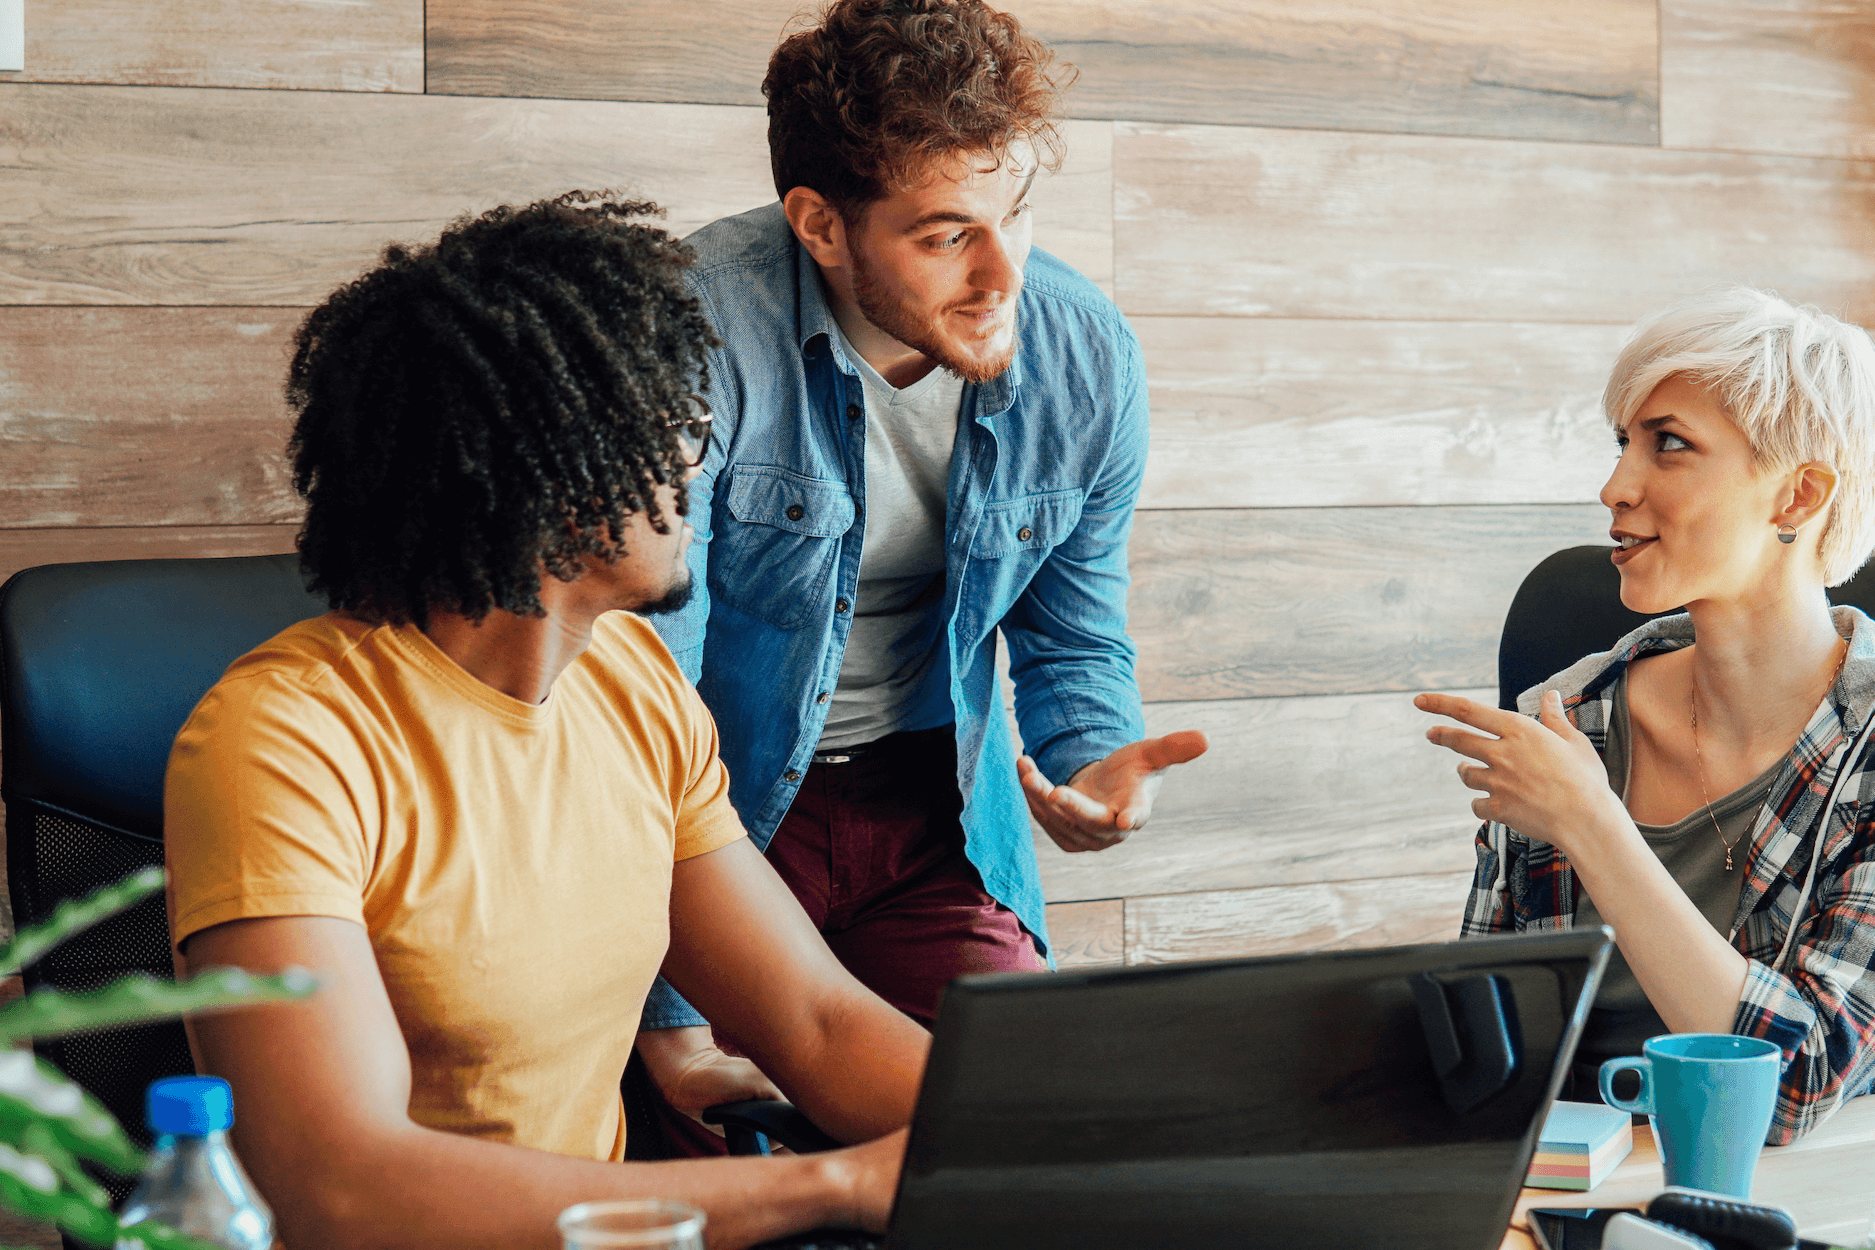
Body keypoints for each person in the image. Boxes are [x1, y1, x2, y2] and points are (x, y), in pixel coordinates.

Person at [163, 193, 929, 1249]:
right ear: (558, 474)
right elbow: (334, 1182)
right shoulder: (284, 740)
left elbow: (813, 1019)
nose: (698, 465)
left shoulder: (636, 682)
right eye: (678, 431)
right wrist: (829, 1186)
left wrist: (1056, 1137)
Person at [635, 0, 1207, 1124]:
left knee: (1016, 1134)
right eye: (946, 234)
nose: (1004, 275)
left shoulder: (1085, 354)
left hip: (933, 804)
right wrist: (669, 1013)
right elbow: (637, 706)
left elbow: (1071, 625)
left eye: (1018, 215)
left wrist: (1089, 760)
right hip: (720, 807)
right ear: (820, 225)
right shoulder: (687, 332)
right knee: (715, 1154)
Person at [1418, 286, 1875, 1143]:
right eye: (1622, 443)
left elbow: (1793, 1087)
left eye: (1668, 445)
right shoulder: (1570, 716)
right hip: (1565, 1181)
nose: (1613, 486)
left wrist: (1590, 821)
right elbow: (1481, 1054)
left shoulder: (1867, 748)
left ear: (1797, 497)